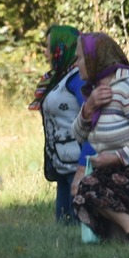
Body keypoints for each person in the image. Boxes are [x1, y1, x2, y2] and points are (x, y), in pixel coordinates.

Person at [69, 33, 129, 241]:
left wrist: (117, 157)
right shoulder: (94, 90)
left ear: (96, 58)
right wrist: (89, 107)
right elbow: (77, 134)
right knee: (85, 190)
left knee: (87, 186)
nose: (75, 64)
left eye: (80, 58)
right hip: (110, 170)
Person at [29, 25, 87, 223]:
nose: (46, 52)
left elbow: (90, 118)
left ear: (62, 47)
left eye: (49, 47)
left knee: (80, 225)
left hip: (78, 163)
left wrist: (83, 165)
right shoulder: (57, 78)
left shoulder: (78, 78)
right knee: (63, 226)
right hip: (62, 162)